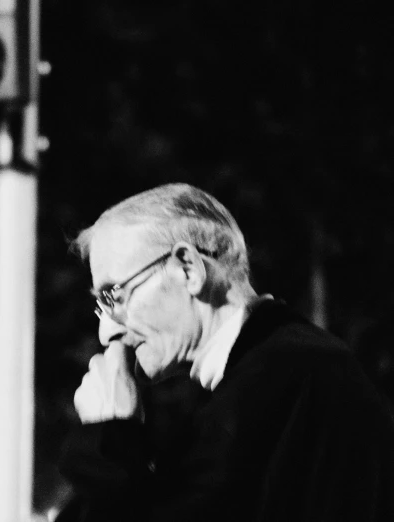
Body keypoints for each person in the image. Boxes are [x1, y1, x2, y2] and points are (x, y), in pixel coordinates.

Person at [56, 183, 394, 522]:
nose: (107, 332)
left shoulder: (283, 383)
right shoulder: (284, 372)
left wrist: (108, 436)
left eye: (114, 296)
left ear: (187, 268)